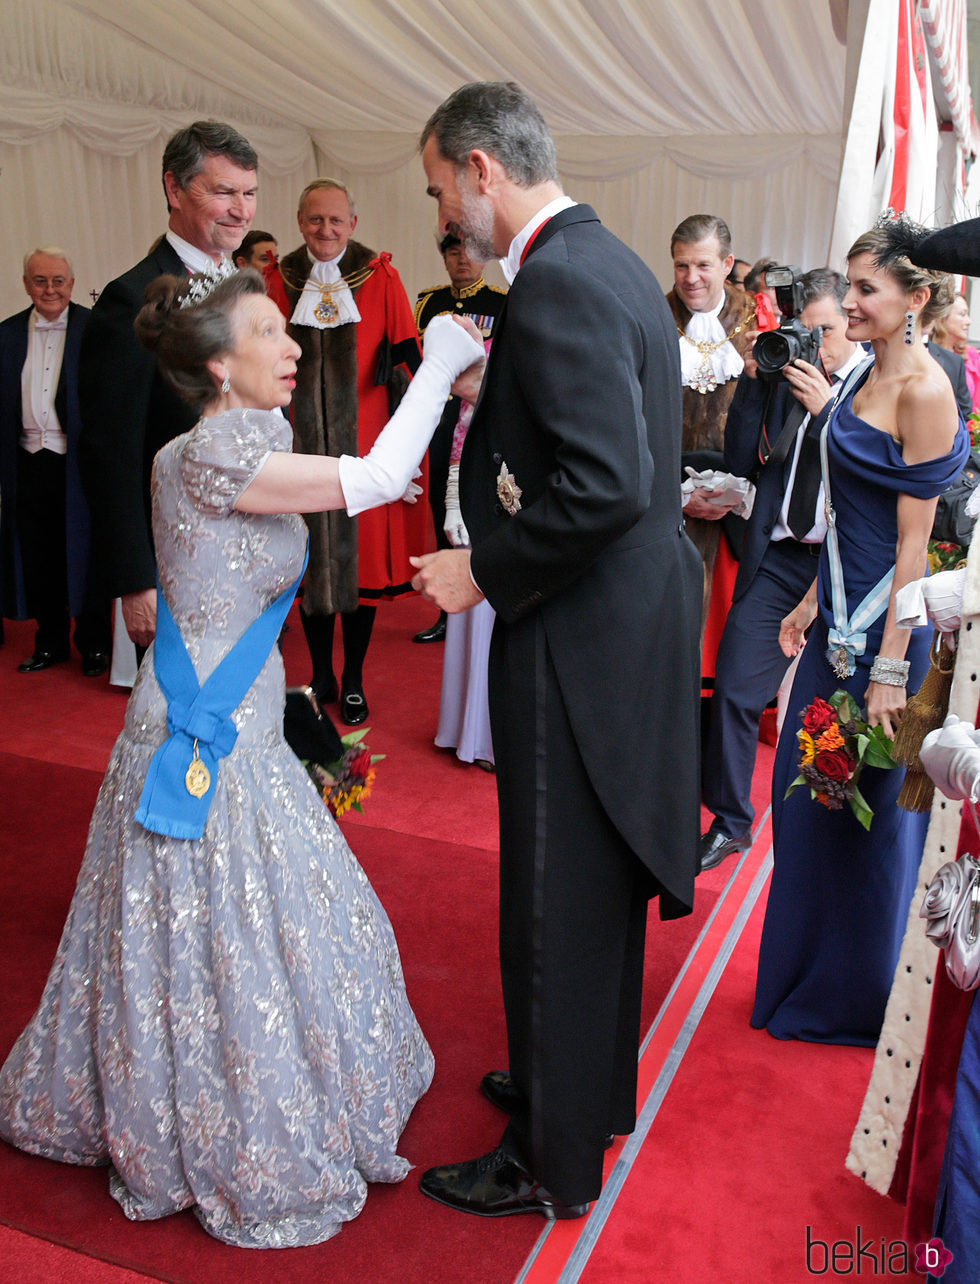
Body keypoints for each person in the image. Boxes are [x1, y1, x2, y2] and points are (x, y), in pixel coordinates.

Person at [0, 269, 484, 1246]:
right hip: (196, 729)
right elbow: (383, 481)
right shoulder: (210, 450)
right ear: (218, 364)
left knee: (258, 920)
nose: (294, 343)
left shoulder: (257, 435)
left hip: (250, 708)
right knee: (210, 933)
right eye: (271, 330)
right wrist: (438, 360)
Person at [411, 81, 702, 1220]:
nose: (442, 209)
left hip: (576, 638)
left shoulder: (558, 281)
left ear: (482, 169)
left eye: (441, 186)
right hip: (617, 628)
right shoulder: (608, 260)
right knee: (587, 896)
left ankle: (547, 1155)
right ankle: (571, 1087)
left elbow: (604, 485)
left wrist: (480, 569)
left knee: (551, 895)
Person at [750, 217, 969, 1047]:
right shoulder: (860, 374)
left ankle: (855, 1003)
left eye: (865, 289)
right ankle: (798, 981)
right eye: (848, 287)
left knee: (874, 823)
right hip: (832, 624)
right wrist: (809, 599)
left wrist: (885, 669)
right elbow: (846, 513)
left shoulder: (927, 391)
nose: (847, 303)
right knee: (808, 807)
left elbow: (916, 542)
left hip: (889, 645)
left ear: (916, 298)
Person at [698, 269, 866, 872]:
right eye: (806, 331)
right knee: (737, 685)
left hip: (845, 567)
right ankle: (731, 821)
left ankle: (835, 834)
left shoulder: (869, 386)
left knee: (836, 706)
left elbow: (869, 475)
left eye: (826, 331)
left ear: (852, 321)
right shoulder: (785, 370)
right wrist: (752, 384)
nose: (815, 345)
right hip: (779, 556)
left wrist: (825, 413)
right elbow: (743, 459)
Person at [78, 120, 258, 654]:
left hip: (249, 549)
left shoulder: (248, 290)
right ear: (174, 189)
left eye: (248, 193)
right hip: (177, 557)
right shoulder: (129, 301)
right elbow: (110, 450)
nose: (241, 210)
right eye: (222, 191)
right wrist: (135, 581)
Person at [280, 179, 423, 725]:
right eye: (316, 220)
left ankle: (356, 677)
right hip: (299, 452)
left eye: (336, 221)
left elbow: (408, 366)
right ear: (300, 221)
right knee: (313, 562)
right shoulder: (278, 278)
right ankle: (320, 673)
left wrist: (406, 452)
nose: (326, 230)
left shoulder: (381, 277)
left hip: (366, 449)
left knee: (358, 568)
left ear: (353, 225)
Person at [0, 248, 110, 675]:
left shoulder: (94, 329)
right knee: (39, 555)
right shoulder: (7, 334)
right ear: (27, 285)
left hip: (77, 464)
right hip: (27, 463)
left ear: (72, 283)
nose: (50, 289)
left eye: (58, 281)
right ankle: (50, 642)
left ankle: (94, 644)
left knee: (86, 554)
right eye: (40, 281)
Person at [412, 232, 506, 644]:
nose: (462, 260)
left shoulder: (502, 302)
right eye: (453, 253)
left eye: (468, 253)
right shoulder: (427, 303)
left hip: (477, 416)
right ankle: (443, 609)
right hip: (438, 417)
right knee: (439, 504)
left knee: (477, 501)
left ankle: (482, 596)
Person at [932, 291, 980, 413]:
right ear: (942, 317)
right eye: (962, 314)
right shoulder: (926, 352)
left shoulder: (971, 356)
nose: (969, 321)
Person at [234, 229, 289, 319]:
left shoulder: (285, 291)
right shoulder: (230, 301)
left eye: (275, 259)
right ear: (242, 263)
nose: (274, 265)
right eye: (265, 259)